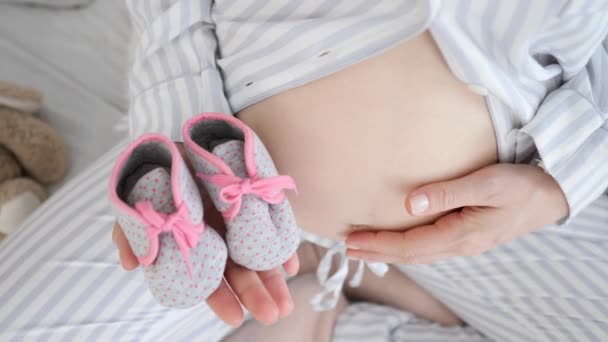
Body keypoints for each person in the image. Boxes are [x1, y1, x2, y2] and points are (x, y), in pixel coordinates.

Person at [1, 1, 607, 341]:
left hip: (495, 220)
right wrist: (177, 128)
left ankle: (355, 300)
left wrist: (566, 178)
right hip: (227, 197)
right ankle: (325, 289)